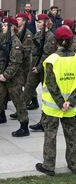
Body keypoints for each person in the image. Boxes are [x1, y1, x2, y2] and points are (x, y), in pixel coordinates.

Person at [35, 26, 76, 176]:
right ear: (71, 41)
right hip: (71, 108)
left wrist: (60, 103)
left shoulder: (51, 60)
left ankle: (49, 166)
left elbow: (51, 86)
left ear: (55, 41)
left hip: (52, 108)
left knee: (50, 136)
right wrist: (69, 102)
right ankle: (74, 164)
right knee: (72, 136)